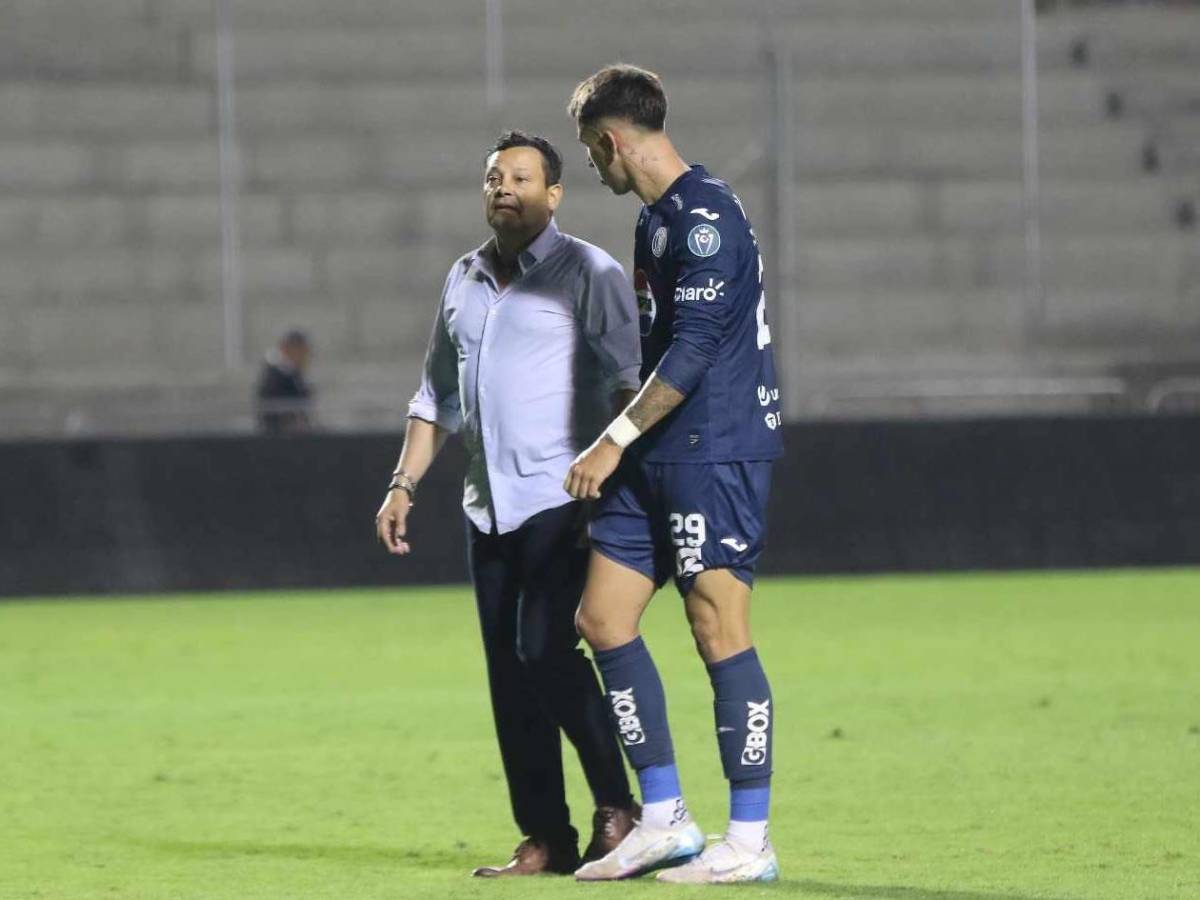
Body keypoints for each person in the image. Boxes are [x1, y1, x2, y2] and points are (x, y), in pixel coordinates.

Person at [374, 131, 643, 878]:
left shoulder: (589, 272)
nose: (504, 187)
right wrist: (403, 483)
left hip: (561, 500)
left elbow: (631, 382)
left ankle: (619, 809)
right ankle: (546, 838)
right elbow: (436, 394)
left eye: (522, 177)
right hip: (485, 507)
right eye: (494, 176)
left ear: (554, 194)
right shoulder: (462, 277)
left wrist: (614, 469)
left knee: (545, 652)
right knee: (509, 674)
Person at [563, 65, 784, 883]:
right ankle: (664, 818)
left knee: (718, 628)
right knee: (603, 617)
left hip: (715, 447)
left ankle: (750, 842)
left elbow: (692, 352)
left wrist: (612, 438)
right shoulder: (657, 220)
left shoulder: (705, 220)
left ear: (613, 140)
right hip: (658, 451)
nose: (593, 166)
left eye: (592, 151)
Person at [255, 329, 313, 434]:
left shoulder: (294, 374)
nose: (305, 356)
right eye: (301, 350)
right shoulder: (274, 376)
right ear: (287, 349)